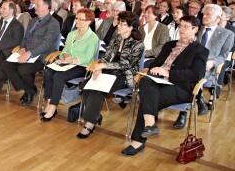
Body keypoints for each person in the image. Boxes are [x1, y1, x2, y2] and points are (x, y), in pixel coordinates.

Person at [121, 16, 209, 156]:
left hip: (181, 87)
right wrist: (156, 69)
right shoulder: (169, 45)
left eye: (186, 26)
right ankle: (149, 125)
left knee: (147, 100)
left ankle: (139, 140)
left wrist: (168, 73)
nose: (182, 29)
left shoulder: (200, 50)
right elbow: (155, 63)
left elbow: (195, 75)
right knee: (145, 81)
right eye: (181, 26)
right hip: (159, 82)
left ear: (195, 30)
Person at [76, 11, 144, 139]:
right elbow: (106, 56)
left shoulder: (138, 44)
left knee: (97, 91)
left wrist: (104, 66)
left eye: (123, 24)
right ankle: (94, 115)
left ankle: (89, 124)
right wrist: (99, 68)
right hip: (108, 72)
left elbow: (127, 64)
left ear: (131, 27)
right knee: (85, 86)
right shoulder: (116, 38)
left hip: (124, 76)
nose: (118, 26)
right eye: (119, 23)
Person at [173, 4, 234, 128]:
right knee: (185, 73)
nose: (204, 16)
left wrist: (212, 62)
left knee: (189, 77)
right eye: (204, 14)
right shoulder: (197, 29)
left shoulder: (227, 34)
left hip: (209, 67)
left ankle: (183, 113)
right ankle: (198, 99)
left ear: (218, 18)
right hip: (191, 64)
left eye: (208, 15)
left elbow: (223, 55)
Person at [0, 0, 61, 105]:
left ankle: (29, 91)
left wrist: (29, 53)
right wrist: (23, 47)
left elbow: (46, 44)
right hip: (27, 53)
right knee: (6, 65)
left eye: (37, 5)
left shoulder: (53, 23)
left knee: (23, 70)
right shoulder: (33, 21)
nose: (34, 7)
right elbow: (25, 38)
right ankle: (30, 90)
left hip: (42, 56)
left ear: (46, 7)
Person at [41, 9, 99, 121]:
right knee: (48, 72)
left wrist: (71, 60)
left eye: (81, 19)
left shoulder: (93, 38)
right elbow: (65, 50)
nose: (77, 21)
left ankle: (53, 107)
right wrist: (66, 57)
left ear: (88, 21)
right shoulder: (72, 34)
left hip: (82, 66)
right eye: (77, 18)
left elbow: (87, 57)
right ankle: (49, 102)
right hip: (68, 63)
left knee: (58, 76)